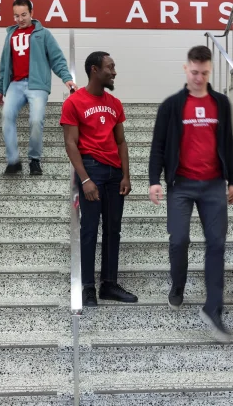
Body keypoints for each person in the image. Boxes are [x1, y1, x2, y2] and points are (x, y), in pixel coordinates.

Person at [148, 45, 233, 341]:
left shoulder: (221, 103)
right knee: (180, 239)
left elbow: (227, 142)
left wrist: (232, 180)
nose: (199, 77)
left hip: (213, 184)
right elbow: (158, 145)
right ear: (186, 69)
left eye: (205, 73)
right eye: (195, 72)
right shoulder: (172, 105)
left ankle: (213, 308)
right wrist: (154, 180)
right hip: (181, 185)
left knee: (217, 244)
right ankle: (178, 284)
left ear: (210, 71)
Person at [61, 51, 137, 307]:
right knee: (90, 230)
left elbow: (121, 141)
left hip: (115, 174)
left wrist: (125, 174)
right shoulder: (74, 102)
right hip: (91, 170)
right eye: (110, 67)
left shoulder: (115, 103)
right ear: (94, 69)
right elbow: (71, 143)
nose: (114, 72)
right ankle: (87, 288)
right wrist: (84, 179)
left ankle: (109, 284)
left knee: (113, 230)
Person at [0, 0, 76, 175]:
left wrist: (66, 78)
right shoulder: (10, 34)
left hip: (37, 84)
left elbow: (57, 58)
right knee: (7, 116)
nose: (20, 19)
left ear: (32, 13)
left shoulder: (43, 34)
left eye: (24, 14)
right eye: (16, 16)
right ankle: (13, 161)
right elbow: (4, 65)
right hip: (15, 84)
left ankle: (34, 159)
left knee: (35, 120)